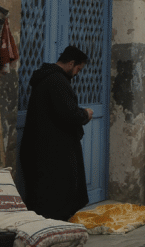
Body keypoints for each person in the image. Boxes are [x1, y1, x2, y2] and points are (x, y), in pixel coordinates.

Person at [20, 45, 94, 221]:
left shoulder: (48, 77)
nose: (77, 73)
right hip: (54, 147)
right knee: (57, 192)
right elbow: (68, 114)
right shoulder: (57, 81)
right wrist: (85, 114)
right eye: (78, 69)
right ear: (71, 63)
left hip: (43, 144)